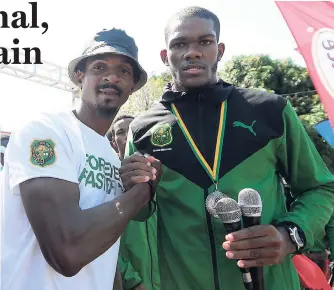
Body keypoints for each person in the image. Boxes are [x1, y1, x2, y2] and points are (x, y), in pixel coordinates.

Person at [119, 6, 334, 290]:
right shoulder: (143, 129)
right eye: (179, 44)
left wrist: (291, 234)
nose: (192, 52)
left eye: (204, 42)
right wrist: (131, 195)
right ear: (164, 56)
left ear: (219, 51)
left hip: (270, 282)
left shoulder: (270, 110)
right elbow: (138, 218)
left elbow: (321, 188)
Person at [0, 28, 159, 290]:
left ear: (132, 85)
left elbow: (105, 250)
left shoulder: (111, 155)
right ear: (80, 76)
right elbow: (67, 253)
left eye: (123, 71)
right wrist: (143, 192)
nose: (111, 77)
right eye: (99, 67)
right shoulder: (46, 131)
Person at [108, 115, 160, 290]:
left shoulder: (162, 176)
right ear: (114, 142)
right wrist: (132, 281)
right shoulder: (107, 179)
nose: (129, 135)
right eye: (122, 132)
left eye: (133, 129)